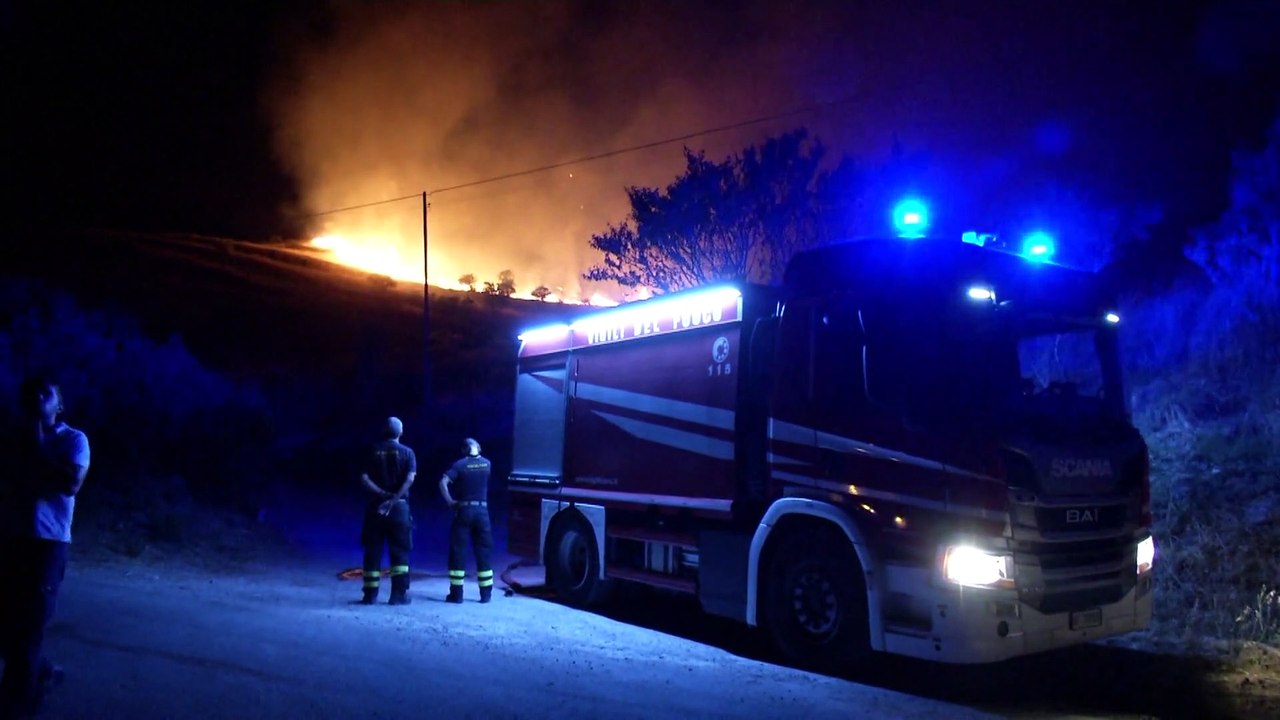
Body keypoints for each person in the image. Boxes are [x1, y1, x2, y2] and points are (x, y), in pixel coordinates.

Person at [0, 377, 90, 718]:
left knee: (29, 628)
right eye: (30, 392)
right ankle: (42, 672)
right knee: (7, 627)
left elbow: (70, 484)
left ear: (59, 405)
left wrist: (36, 445)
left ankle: (14, 708)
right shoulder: (9, 439)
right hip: (9, 539)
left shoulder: (73, 440)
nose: (36, 396)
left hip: (47, 546)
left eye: (46, 392)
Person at [357, 416, 416, 606]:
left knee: (372, 551)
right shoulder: (408, 453)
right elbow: (410, 479)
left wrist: (382, 494)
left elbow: (364, 479)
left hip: (376, 507)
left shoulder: (372, 450)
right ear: (401, 432)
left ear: (384, 431)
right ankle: (398, 596)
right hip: (399, 509)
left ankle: (369, 595)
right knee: (400, 553)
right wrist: (394, 499)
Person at [439, 437, 494, 604]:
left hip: (463, 510)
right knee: (483, 552)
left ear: (464, 450)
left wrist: (450, 502)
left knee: (458, 552)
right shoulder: (487, 464)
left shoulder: (459, 465)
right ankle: (485, 595)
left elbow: (442, 482)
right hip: (482, 512)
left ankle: (456, 595)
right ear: (478, 447)